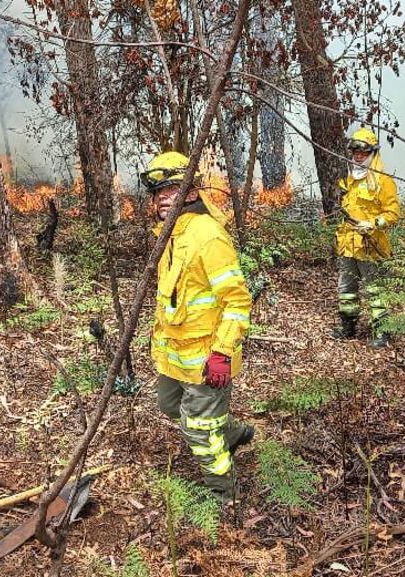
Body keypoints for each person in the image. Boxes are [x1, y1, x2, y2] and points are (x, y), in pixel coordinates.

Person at [140, 152, 255, 502]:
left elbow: (237, 301)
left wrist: (221, 352)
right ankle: (232, 432)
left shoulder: (208, 236)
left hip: (207, 357)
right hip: (176, 354)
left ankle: (226, 495)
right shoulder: (169, 235)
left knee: (199, 431)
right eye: (158, 191)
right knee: (169, 406)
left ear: (191, 191)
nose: (163, 197)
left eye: (171, 188)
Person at [332, 127, 400, 348]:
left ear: (372, 153)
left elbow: (392, 213)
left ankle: (382, 333)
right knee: (346, 290)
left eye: (363, 152)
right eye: (355, 152)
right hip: (348, 244)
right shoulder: (349, 180)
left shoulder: (383, 181)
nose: (358, 156)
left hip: (370, 245)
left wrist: (372, 224)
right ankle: (348, 327)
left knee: (375, 290)